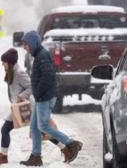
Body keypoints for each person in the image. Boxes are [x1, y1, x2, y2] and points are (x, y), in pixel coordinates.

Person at [0, 48, 70, 166]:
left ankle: (3, 156)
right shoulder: (12, 73)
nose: (2, 64)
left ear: (9, 63)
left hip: (27, 107)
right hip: (19, 108)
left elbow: (32, 87)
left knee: (37, 130)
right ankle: (64, 148)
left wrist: (21, 96)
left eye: (4, 62)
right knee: (39, 130)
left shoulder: (19, 73)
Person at [20, 31, 83, 166]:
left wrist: (38, 92)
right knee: (35, 127)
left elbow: (48, 77)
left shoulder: (42, 56)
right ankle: (36, 157)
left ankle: (71, 143)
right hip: (42, 97)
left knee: (42, 126)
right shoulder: (39, 55)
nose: (24, 47)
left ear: (33, 43)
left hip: (45, 97)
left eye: (26, 45)